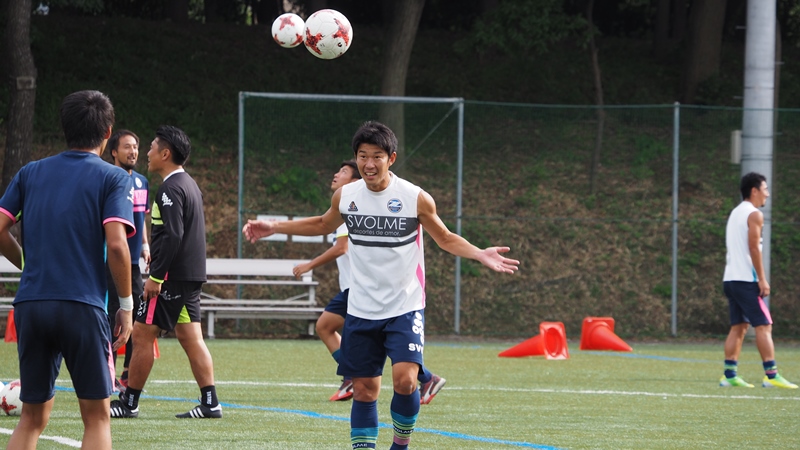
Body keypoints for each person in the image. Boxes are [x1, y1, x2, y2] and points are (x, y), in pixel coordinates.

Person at [244, 121, 518, 449]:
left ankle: (400, 445)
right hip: (361, 307)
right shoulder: (346, 196)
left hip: (404, 305)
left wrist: (479, 253)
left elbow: (445, 238)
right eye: (362, 156)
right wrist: (274, 227)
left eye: (377, 156)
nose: (369, 163)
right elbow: (322, 224)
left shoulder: (414, 198)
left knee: (405, 381)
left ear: (392, 158)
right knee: (364, 389)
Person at [0, 90, 135, 449]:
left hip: (32, 304)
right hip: (82, 305)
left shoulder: (30, 172)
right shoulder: (113, 178)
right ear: (108, 133)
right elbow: (117, 245)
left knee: (31, 418)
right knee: (97, 418)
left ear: (65, 127)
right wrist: (126, 304)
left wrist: (27, 263)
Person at [293, 160, 447, 404]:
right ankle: (419, 378)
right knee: (330, 328)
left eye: (343, 172)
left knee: (329, 328)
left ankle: (415, 378)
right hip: (359, 291)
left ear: (355, 181)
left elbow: (341, 247)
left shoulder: (357, 207)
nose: (336, 175)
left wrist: (309, 265)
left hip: (365, 291)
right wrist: (274, 227)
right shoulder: (345, 204)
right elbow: (322, 224)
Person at [110, 125, 223, 419]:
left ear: (165, 154)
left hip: (171, 278)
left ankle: (129, 403)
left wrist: (156, 277)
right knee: (191, 337)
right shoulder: (190, 184)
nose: (146, 153)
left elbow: (173, 235)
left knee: (142, 334)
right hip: (190, 276)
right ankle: (210, 403)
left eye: (150, 147)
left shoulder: (170, 189)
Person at [719, 172, 797, 389]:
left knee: (738, 326)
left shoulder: (735, 212)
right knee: (764, 325)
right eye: (765, 189)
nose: (767, 194)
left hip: (730, 279)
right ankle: (771, 375)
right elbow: (754, 248)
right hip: (746, 280)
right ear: (754, 191)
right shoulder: (754, 214)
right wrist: (762, 278)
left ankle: (729, 375)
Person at [104, 129, 151, 392]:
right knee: (112, 314)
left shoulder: (142, 182)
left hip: (133, 262)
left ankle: (127, 372)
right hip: (110, 259)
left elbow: (140, 217)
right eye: (127, 147)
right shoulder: (107, 179)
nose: (133, 151)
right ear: (114, 151)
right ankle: (107, 371)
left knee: (137, 314)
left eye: (135, 147)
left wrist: (144, 245)